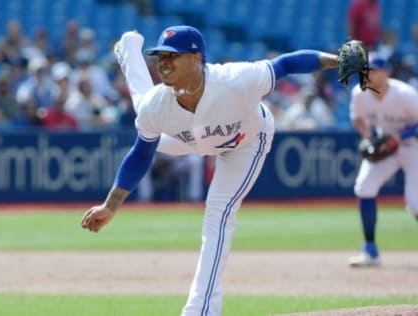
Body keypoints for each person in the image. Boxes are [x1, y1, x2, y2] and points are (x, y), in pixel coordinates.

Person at [81, 26, 344, 316]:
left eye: (172, 56)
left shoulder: (237, 79)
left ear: (196, 58)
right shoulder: (159, 103)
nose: (163, 63)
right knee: (145, 110)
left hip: (246, 141)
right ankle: (129, 50)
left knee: (218, 214)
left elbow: (286, 64)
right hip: (188, 137)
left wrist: (337, 60)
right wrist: (111, 205)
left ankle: (201, 310)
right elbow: (141, 153)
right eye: (159, 57)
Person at [347, 52, 418, 268]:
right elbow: (357, 118)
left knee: (415, 203)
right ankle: (370, 251)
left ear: (386, 72)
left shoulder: (405, 94)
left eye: (373, 70)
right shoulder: (359, 93)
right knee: (364, 187)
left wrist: (401, 137)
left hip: (412, 146)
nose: (368, 75)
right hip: (385, 145)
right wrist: (369, 137)